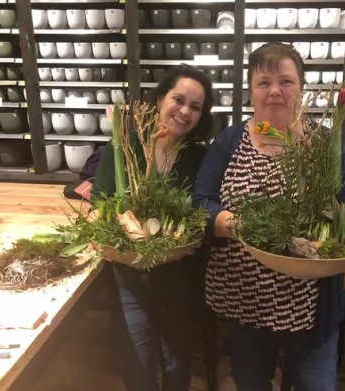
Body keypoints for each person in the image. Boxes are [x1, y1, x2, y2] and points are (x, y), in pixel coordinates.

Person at [192, 42, 345, 391]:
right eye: (263, 82)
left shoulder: (326, 145)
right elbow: (201, 203)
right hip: (246, 301)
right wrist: (236, 224)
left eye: (285, 81)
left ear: (300, 88)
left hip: (311, 308)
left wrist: (333, 217)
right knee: (252, 383)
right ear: (251, 91)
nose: (275, 91)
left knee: (316, 385)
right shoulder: (228, 144)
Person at [91, 64, 214, 391]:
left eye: (196, 107)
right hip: (129, 277)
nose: (185, 111)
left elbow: (202, 213)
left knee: (177, 363)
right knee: (138, 364)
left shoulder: (198, 159)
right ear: (160, 99)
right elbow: (99, 205)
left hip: (180, 278)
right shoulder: (124, 147)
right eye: (178, 99)